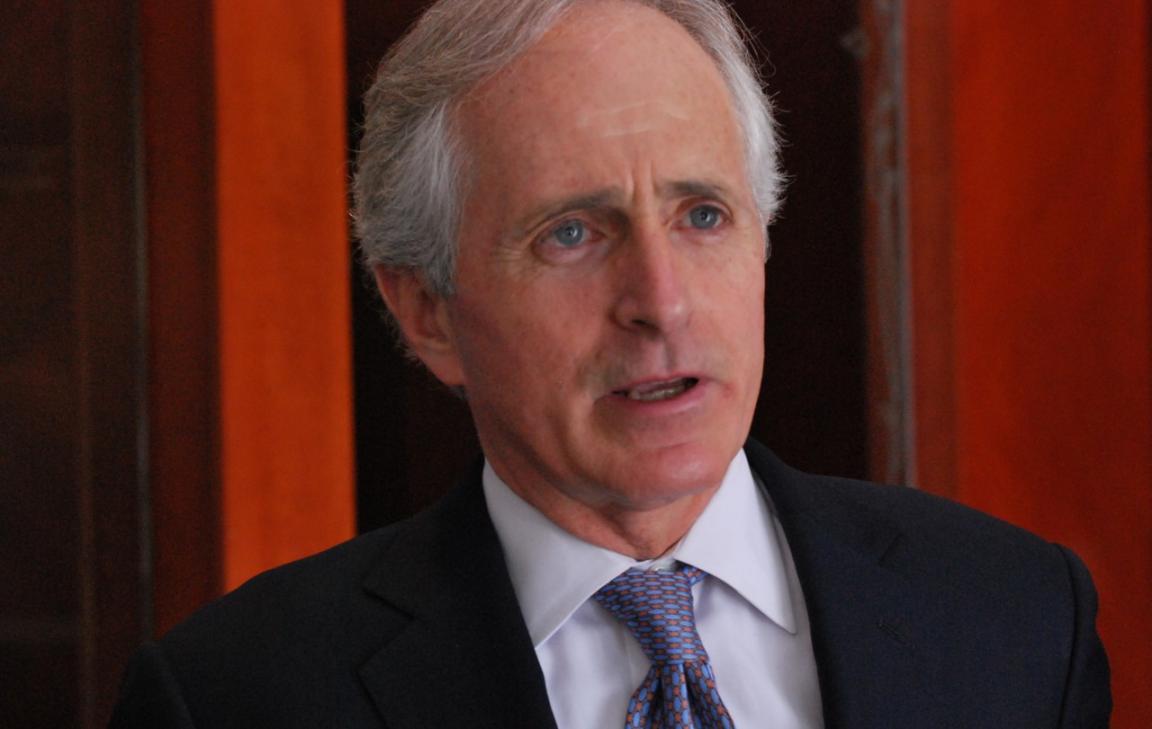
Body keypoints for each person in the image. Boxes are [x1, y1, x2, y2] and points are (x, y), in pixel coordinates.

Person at [110, 0, 1111, 727]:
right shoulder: (238, 696)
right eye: (572, 234)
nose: (661, 301)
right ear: (426, 311)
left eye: (703, 215)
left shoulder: (1019, 619)